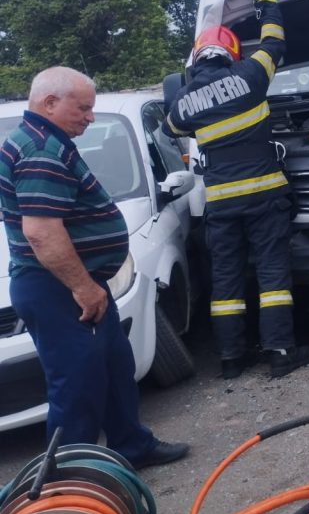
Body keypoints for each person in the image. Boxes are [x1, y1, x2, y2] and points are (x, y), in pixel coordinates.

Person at [0, 67, 189, 469]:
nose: (89, 116)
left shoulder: (45, 139)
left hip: (75, 284)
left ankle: (132, 446)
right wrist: (83, 287)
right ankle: (73, 475)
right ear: (50, 103)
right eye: (83, 108)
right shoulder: (40, 151)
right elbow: (41, 234)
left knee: (113, 364)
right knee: (78, 383)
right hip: (57, 288)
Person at [164, 0, 309, 379]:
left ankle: (231, 360)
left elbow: (171, 127)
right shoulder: (251, 75)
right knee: (272, 275)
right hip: (265, 198)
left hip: (222, 204)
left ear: (195, 59)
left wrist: (192, 86)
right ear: (232, 52)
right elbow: (274, 41)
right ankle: (281, 353)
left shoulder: (185, 104)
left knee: (226, 282)